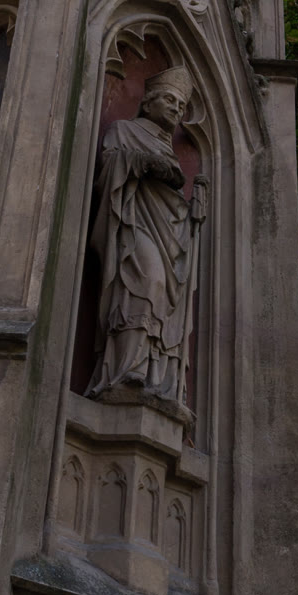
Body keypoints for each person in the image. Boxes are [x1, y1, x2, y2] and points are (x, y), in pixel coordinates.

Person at [88, 65, 207, 407]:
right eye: (168, 100)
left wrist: (193, 213)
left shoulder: (168, 148)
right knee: (145, 283)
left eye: (181, 106)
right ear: (147, 102)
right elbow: (109, 170)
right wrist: (143, 163)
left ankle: (157, 379)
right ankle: (126, 371)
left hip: (169, 236)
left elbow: (172, 203)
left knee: (164, 300)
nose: (176, 109)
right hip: (133, 225)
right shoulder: (124, 131)